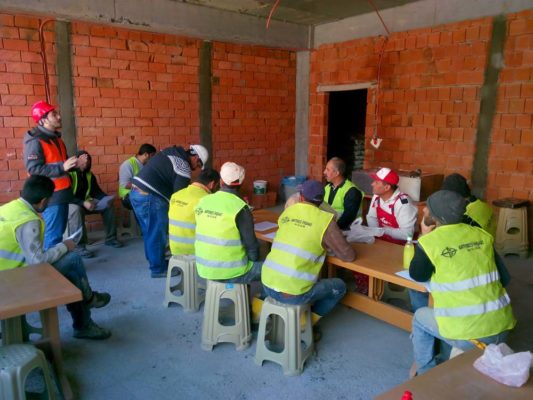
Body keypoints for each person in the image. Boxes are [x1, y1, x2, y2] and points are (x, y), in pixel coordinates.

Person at [409, 190, 515, 376]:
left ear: (436, 217)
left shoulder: (430, 242)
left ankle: (425, 373)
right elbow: (504, 279)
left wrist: (425, 236)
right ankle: (447, 353)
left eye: (428, 208)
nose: (424, 210)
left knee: (419, 317)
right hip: (503, 326)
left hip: (471, 336)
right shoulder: (481, 235)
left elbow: (417, 275)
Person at [0, 175, 112, 339]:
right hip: (12, 281)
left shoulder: (9, 208)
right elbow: (37, 261)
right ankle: (87, 307)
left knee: (72, 273)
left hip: (7, 273)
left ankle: (85, 317)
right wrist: (64, 246)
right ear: (43, 201)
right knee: (73, 259)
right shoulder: (28, 221)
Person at [262, 179, 356, 320]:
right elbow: (348, 256)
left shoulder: (289, 212)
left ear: (301, 197)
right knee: (339, 286)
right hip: (294, 292)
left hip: (267, 283)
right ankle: (307, 322)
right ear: (321, 200)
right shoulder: (325, 220)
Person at [130, 144, 208, 278]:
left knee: (149, 231)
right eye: (199, 165)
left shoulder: (170, 152)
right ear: (195, 157)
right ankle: (158, 269)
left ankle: (154, 261)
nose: (196, 169)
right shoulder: (183, 167)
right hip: (150, 197)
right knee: (156, 233)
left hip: (136, 192)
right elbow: (179, 196)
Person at [23, 100, 86, 250]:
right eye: (54, 114)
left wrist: (76, 166)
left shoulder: (56, 139)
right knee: (53, 237)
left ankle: (54, 263)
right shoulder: (35, 141)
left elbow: (63, 165)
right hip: (51, 196)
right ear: (43, 120)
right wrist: (62, 167)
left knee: (57, 235)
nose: (59, 117)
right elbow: (34, 169)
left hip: (62, 194)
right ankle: (49, 265)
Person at [194, 162, 262, 283]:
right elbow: (251, 245)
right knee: (273, 270)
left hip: (203, 267)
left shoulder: (203, 201)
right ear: (241, 183)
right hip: (231, 272)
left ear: (221, 182)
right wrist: (253, 260)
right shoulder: (240, 207)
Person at [65, 150, 123, 258]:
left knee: (108, 206)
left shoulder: (89, 175)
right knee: (76, 210)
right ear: (76, 160)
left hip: (87, 203)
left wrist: (107, 198)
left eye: (88, 158)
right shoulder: (69, 174)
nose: (86, 160)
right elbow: (66, 195)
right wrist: (82, 203)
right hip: (70, 204)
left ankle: (111, 239)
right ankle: (79, 247)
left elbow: (96, 192)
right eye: (82, 158)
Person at [168, 168, 220, 256]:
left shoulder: (176, 195)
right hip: (195, 252)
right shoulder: (207, 200)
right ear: (212, 184)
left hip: (175, 249)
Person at [366, 167, 418, 244]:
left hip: (401, 245)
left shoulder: (403, 204)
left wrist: (381, 231)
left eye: (376, 182)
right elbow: (372, 217)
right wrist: (376, 233)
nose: (372, 184)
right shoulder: (377, 196)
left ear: (387, 187)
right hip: (382, 241)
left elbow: (407, 234)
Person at [441, 173, 496, 237]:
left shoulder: (464, 216)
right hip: (489, 240)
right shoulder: (483, 205)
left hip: (476, 241)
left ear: (454, 196)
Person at [323, 157, 364, 230]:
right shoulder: (327, 188)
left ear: (336, 173)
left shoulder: (352, 191)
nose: (324, 172)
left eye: (328, 169)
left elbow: (347, 218)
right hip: (331, 228)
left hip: (348, 230)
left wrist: (330, 229)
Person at [118, 143, 157, 210]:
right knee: (152, 202)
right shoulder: (128, 164)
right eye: (152, 155)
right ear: (146, 154)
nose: (153, 158)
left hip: (141, 193)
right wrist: (143, 186)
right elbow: (124, 185)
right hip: (127, 196)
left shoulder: (146, 164)